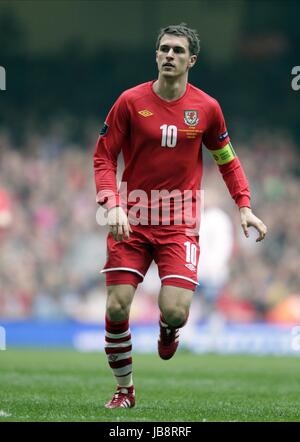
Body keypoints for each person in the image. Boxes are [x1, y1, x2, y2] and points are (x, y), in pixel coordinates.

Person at [93, 23, 267, 409]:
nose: (169, 55)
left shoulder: (207, 108)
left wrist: (244, 205)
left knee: (174, 309)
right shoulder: (129, 102)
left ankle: (169, 329)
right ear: (156, 55)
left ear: (192, 60)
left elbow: (227, 160)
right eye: (163, 49)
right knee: (117, 305)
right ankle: (124, 390)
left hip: (179, 223)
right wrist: (112, 202)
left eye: (177, 50)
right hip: (132, 216)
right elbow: (104, 156)